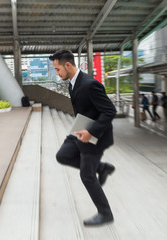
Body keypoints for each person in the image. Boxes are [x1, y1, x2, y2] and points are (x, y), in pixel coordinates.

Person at [49, 49, 116, 226]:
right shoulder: (72, 83)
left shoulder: (89, 84)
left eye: (58, 69)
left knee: (87, 176)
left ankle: (105, 213)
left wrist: (91, 132)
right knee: (62, 155)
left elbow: (109, 111)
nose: (57, 73)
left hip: (95, 135)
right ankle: (102, 168)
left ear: (68, 65)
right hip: (80, 129)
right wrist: (81, 130)